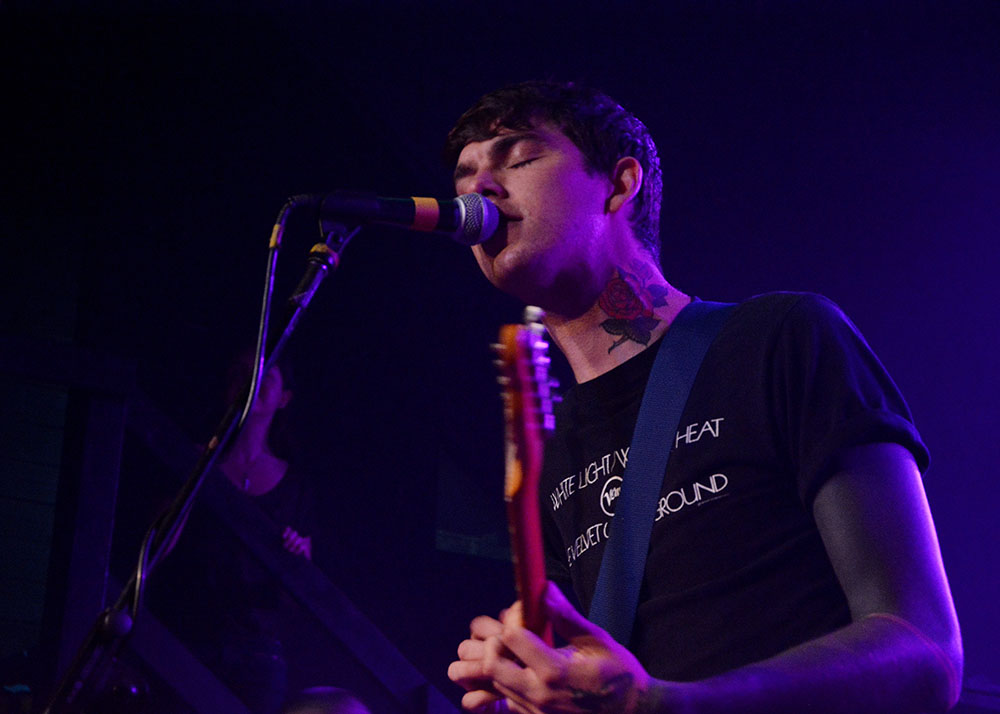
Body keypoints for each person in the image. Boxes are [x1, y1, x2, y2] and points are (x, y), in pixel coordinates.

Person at [444, 81, 962, 713]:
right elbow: (605, 678)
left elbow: (924, 652)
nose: (479, 189)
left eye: (520, 158)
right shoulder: (552, 450)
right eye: (465, 176)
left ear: (619, 185)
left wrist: (668, 705)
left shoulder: (781, 338)